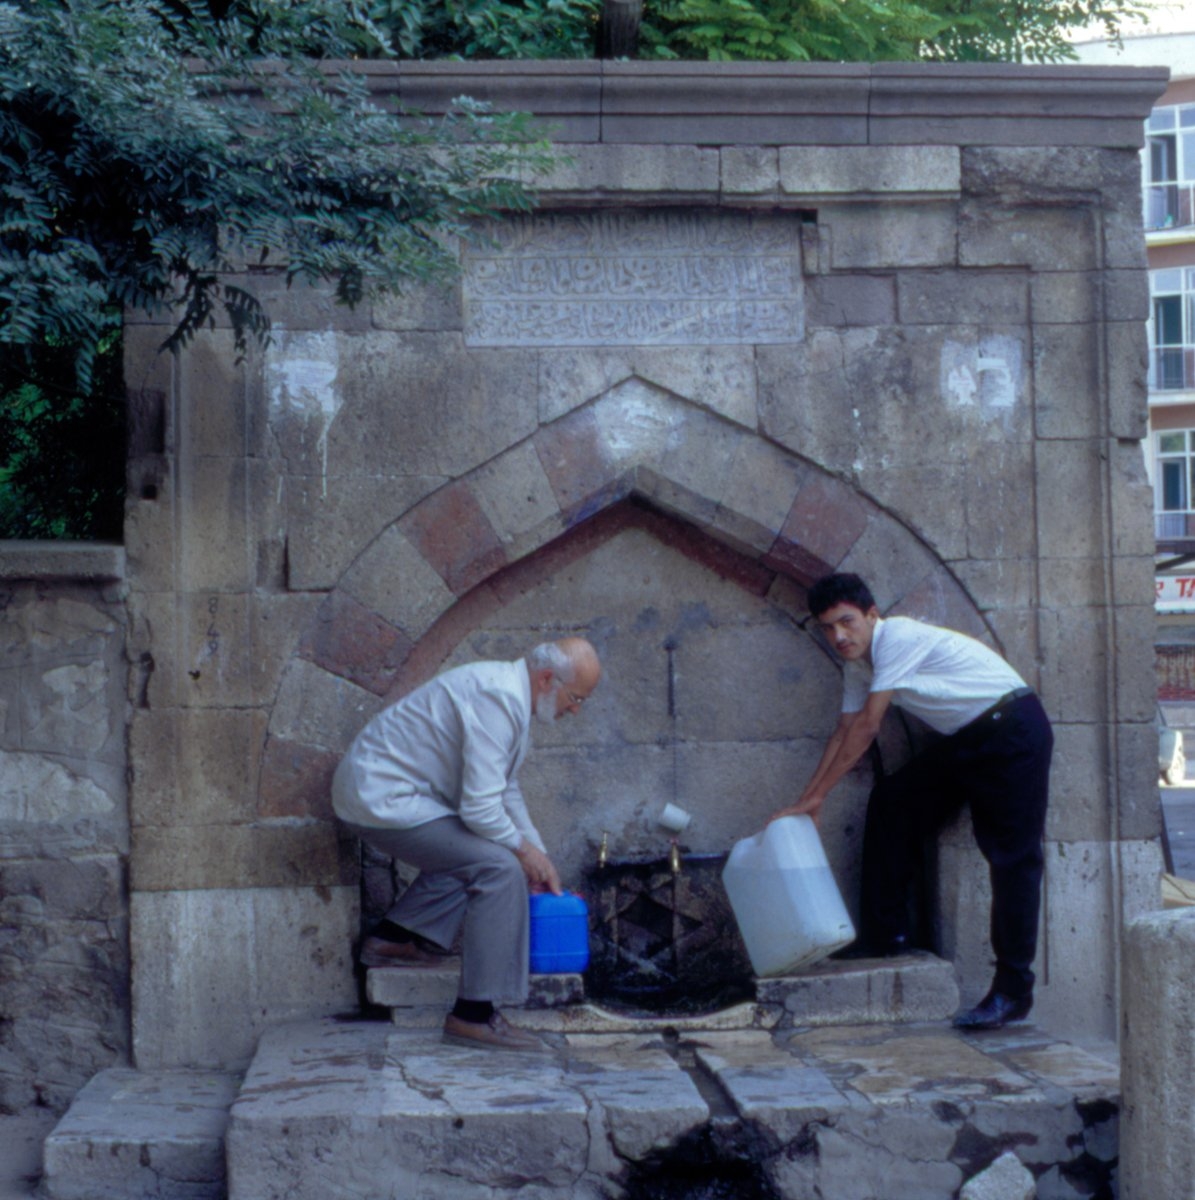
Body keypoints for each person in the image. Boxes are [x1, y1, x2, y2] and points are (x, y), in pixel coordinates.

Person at [771, 573, 1053, 1032]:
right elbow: (843, 730)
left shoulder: (897, 637)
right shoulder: (858, 665)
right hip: (967, 737)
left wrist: (821, 794)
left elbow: (866, 729)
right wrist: (809, 800)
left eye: (847, 622)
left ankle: (1012, 991)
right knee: (894, 801)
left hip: (1013, 731)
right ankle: (886, 935)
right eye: (828, 628)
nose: (839, 636)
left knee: (1013, 859)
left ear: (872, 615)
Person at [332, 637, 602, 1053]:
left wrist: (538, 852)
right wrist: (523, 855)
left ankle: (393, 938)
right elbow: (480, 810)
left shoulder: (513, 699)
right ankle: (473, 1017)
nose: (576, 709)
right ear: (548, 679)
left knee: (491, 852)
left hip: (388, 795)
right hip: (379, 797)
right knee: (498, 867)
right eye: (576, 697)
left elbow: (504, 790)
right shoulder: (498, 697)